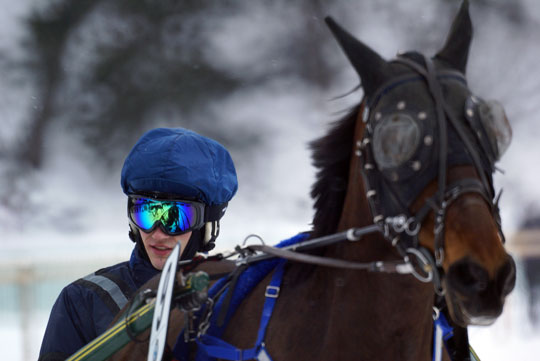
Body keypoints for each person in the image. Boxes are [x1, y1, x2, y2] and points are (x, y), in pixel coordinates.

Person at [38, 128, 238, 361]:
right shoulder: (85, 300)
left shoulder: (236, 298)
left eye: (176, 217)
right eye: (146, 213)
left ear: (207, 224)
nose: (158, 233)